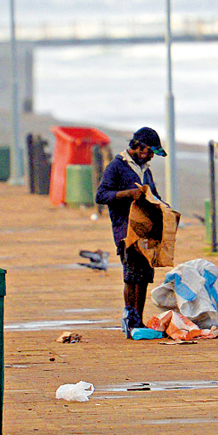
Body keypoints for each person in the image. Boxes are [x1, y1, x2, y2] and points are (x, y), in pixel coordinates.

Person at [95, 126, 167, 338]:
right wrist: (127, 193)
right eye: (150, 151)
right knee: (131, 276)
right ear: (140, 147)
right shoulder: (116, 166)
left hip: (146, 230)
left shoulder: (146, 170)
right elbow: (101, 195)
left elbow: (155, 195)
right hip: (125, 230)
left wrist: (165, 208)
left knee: (144, 276)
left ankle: (139, 320)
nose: (152, 156)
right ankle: (130, 319)